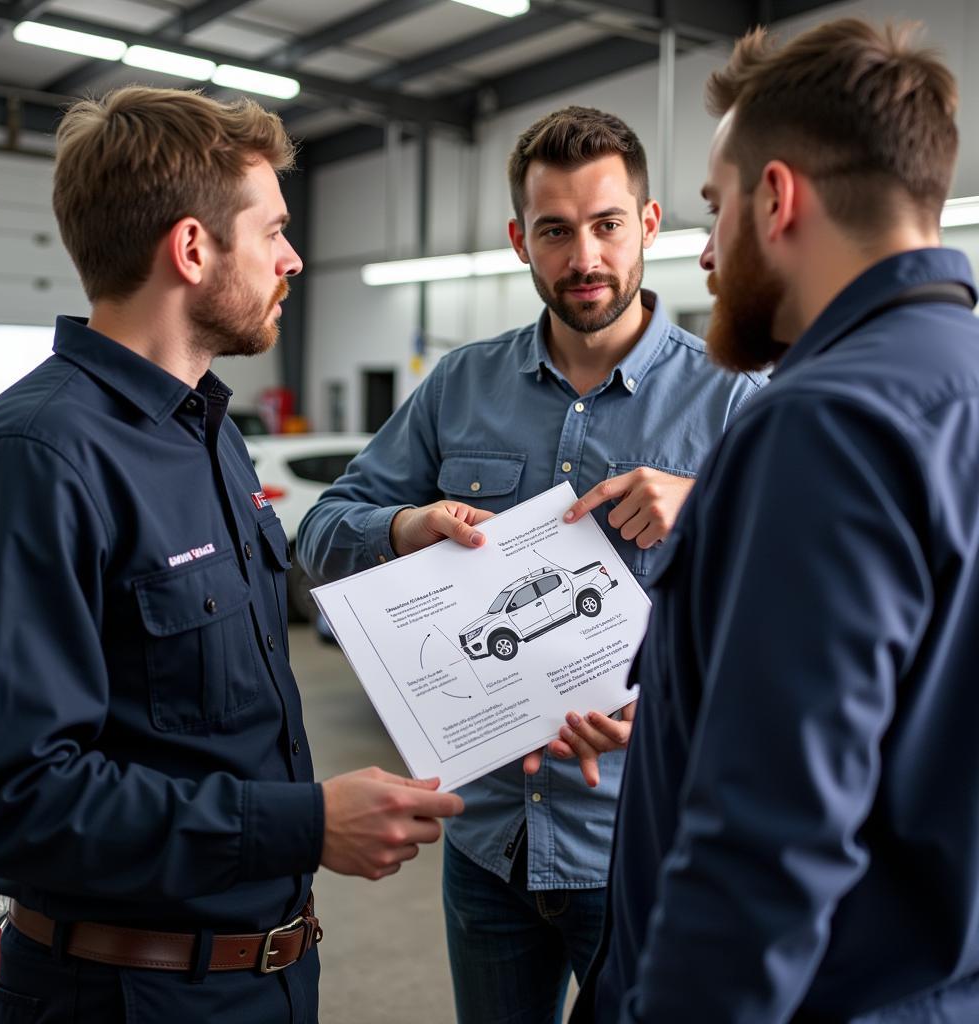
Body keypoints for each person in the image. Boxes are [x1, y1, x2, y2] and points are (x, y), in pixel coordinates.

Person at [0, 86, 463, 1024]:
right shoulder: (38, 461)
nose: (293, 257)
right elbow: (10, 799)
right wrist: (304, 823)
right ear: (192, 250)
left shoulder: (211, 435)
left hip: (267, 979)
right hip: (121, 996)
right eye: (271, 231)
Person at [297, 106, 764, 1024]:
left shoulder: (736, 396)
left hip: (644, 842)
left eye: (606, 225)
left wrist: (705, 505)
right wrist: (406, 528)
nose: (583, 256)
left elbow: (804, 604)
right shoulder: (459, 388)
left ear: (650, 224)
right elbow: (319, 530)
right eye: (555, 230)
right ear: (520, 239)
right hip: (491, 847)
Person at [573, 18, 979, 1023]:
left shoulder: (822, 424)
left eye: (714, 210)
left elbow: (766, 839)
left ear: (776, 197)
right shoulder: (957, 388)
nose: (707, 252)